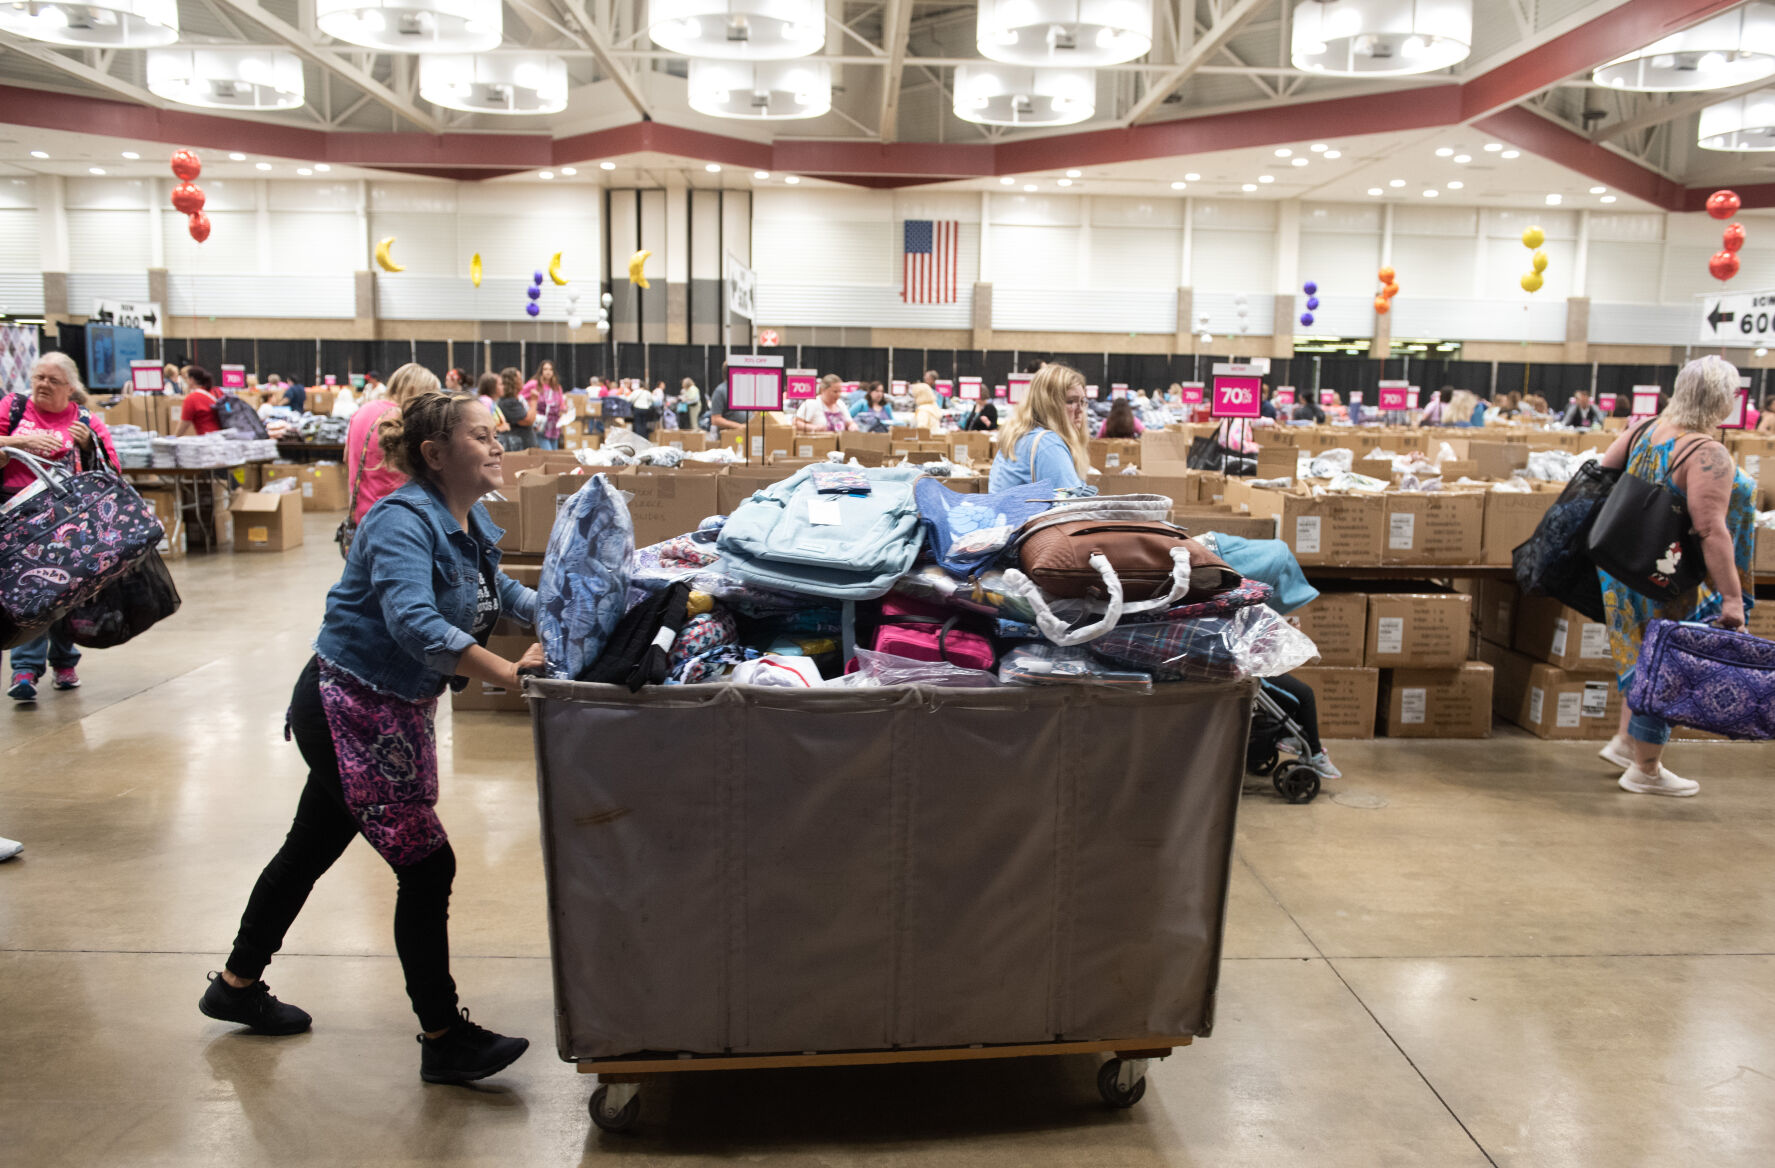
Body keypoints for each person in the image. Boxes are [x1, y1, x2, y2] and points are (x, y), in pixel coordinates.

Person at [203, 391, 542, 1081]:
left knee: (308, 849)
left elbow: (496, 593)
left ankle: (235, 987)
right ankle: (444, 1037)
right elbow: (415, 622)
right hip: (349, 708)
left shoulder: (465, 516)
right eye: (482, 436)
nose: (498, 445)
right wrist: (510, 674)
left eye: (496, 434)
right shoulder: (398, 522)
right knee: (426, 865)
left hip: (391, 707)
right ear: (436, 453)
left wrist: (570, 615)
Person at [1595, 356, 1755, 798]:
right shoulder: (1707, 452)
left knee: (1642, 656)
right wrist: (1732, 599)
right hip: (1671, 575)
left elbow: (1603, 473)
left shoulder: (1645, 429)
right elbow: (1711, 530)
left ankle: (1628, 742)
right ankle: (1646, 768)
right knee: (1669, 663)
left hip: (1626, 567)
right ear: (1723, 400)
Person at [2, 353, 122, 702]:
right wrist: (22, 442)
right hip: (15, 517)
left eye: (53, 381)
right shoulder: (13, 408)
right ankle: (25, 668)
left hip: (66, 522)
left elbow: (111, 470)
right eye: (38, 377)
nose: (42, 385)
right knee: (28, 593)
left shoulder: (85, 421)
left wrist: (88, 444)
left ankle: (64, 660)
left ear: (71, 387)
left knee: (63, 594)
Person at [345, 363, 440, 526]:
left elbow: (347, 457)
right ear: (413, 390)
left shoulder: (362, 411)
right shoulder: (403, 418)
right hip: (395, 518)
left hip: (361, 516)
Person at [989, 363, 1092, 493]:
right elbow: (1072, 508)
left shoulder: (1020, 437)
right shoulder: (1048, 444)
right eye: (1070, 401)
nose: (1080, 410)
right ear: (1048, 405)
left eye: (1082, 401)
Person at [525, 361, 567, 450]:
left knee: (554, 454)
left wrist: (565, 410)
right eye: (545, 369)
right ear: (541, 371)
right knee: (548, 452)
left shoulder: (557, 387)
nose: (548, 372)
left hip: (554, 425)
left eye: (550, 369)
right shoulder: (534, 384)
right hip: (540, 424)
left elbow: (561, 403)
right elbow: (520, 397)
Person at [495, 367, 536, 451]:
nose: (522, 380)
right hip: (518, 448)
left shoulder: (515, 400)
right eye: (519, 378)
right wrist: (534, 401)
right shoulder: (508, 402)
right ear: (512, 382)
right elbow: (528, 421)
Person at [174, 365, 222, 436]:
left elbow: (184, 424)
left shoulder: (192, 398)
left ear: (192, 380)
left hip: (208, 439)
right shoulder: (217, 391)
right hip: (225, 437)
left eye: (186, 378)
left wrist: (175, 438)